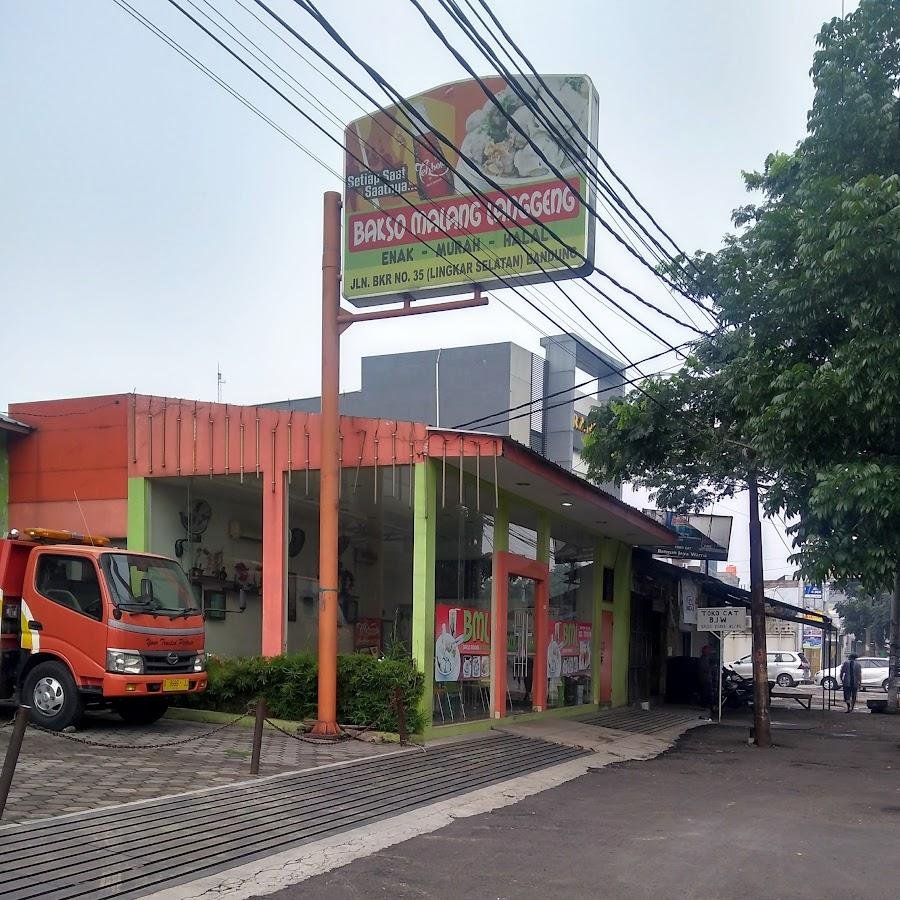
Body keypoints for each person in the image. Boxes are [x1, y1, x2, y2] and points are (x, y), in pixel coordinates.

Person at [698, 645, 715, 715]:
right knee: (706, 692)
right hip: (705, 678)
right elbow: (704, 668)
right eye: (708, 650)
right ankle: (706, 705)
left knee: (707, 692)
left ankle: (706, 705)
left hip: (707, 678)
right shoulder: (703, 659)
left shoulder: (707, 658)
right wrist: (711, 668)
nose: (709, 652)